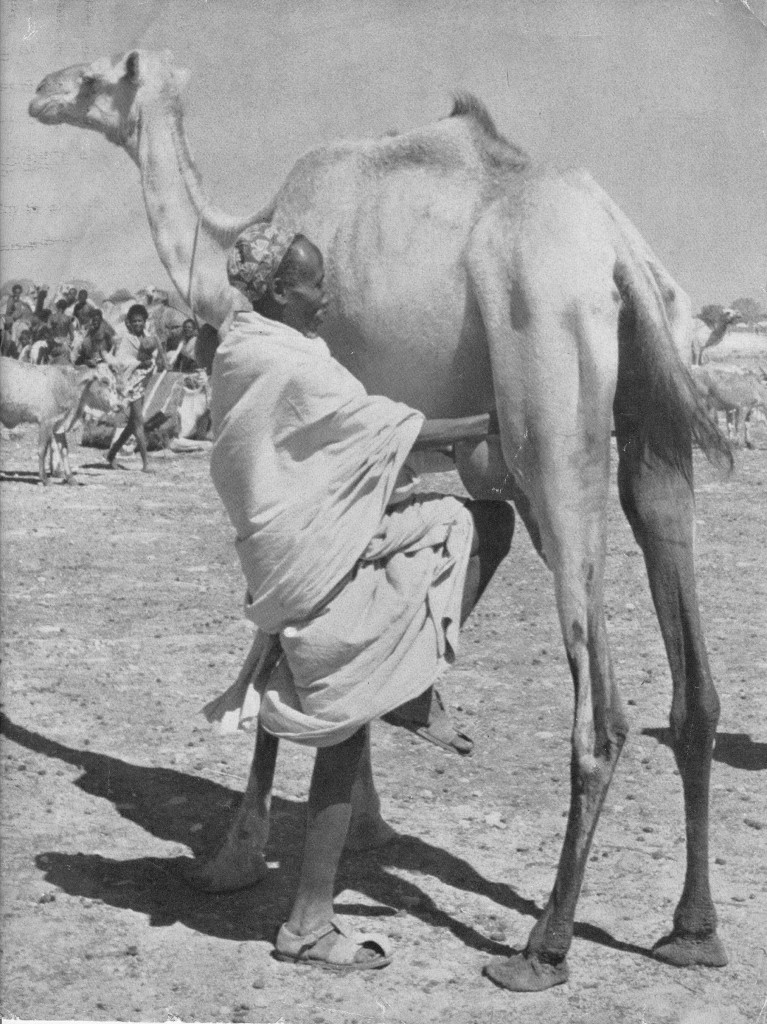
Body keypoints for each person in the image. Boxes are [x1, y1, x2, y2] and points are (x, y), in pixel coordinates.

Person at [207, 224, 514, 971]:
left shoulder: (244, 347)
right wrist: (504, 422)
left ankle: (405, 688)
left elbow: (337, 451)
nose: (326, 295)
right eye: (314, 282)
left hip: (286, 557)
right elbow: (390, 435)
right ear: (281, 290)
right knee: (345, 733)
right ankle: (308, 928)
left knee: (466, 527)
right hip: (314, 562)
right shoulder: (289, 365)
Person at [105, 303, 164, 472]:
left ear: (145, 321)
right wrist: (140, 362)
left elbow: (155, 358)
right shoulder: (126, 339)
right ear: (129, 323)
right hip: (129, 385)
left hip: (141, 384)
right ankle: (146, 464)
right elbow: (122, 362)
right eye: (135, 321)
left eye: (141, 321)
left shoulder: (146, 338)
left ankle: (111, 454)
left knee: (132, 424)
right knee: (138, 422)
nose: (138, 324)